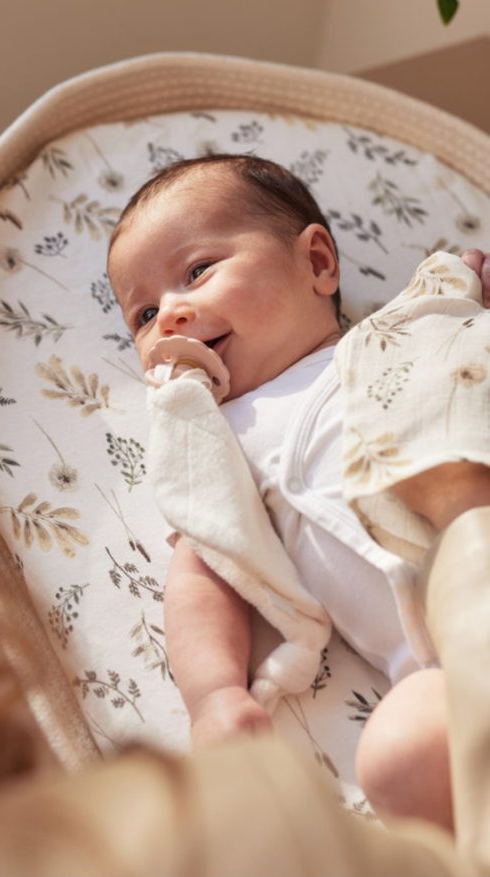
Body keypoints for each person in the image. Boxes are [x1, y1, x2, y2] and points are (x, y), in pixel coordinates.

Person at [107, 153, 490, 832]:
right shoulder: (212, 440)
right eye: (141, 314)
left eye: (196, 271)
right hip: (445, 666)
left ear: (317, 264)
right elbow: (202, 573)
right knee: (398, 758)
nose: (168, 314)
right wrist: (213, 695)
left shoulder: (403, 330)